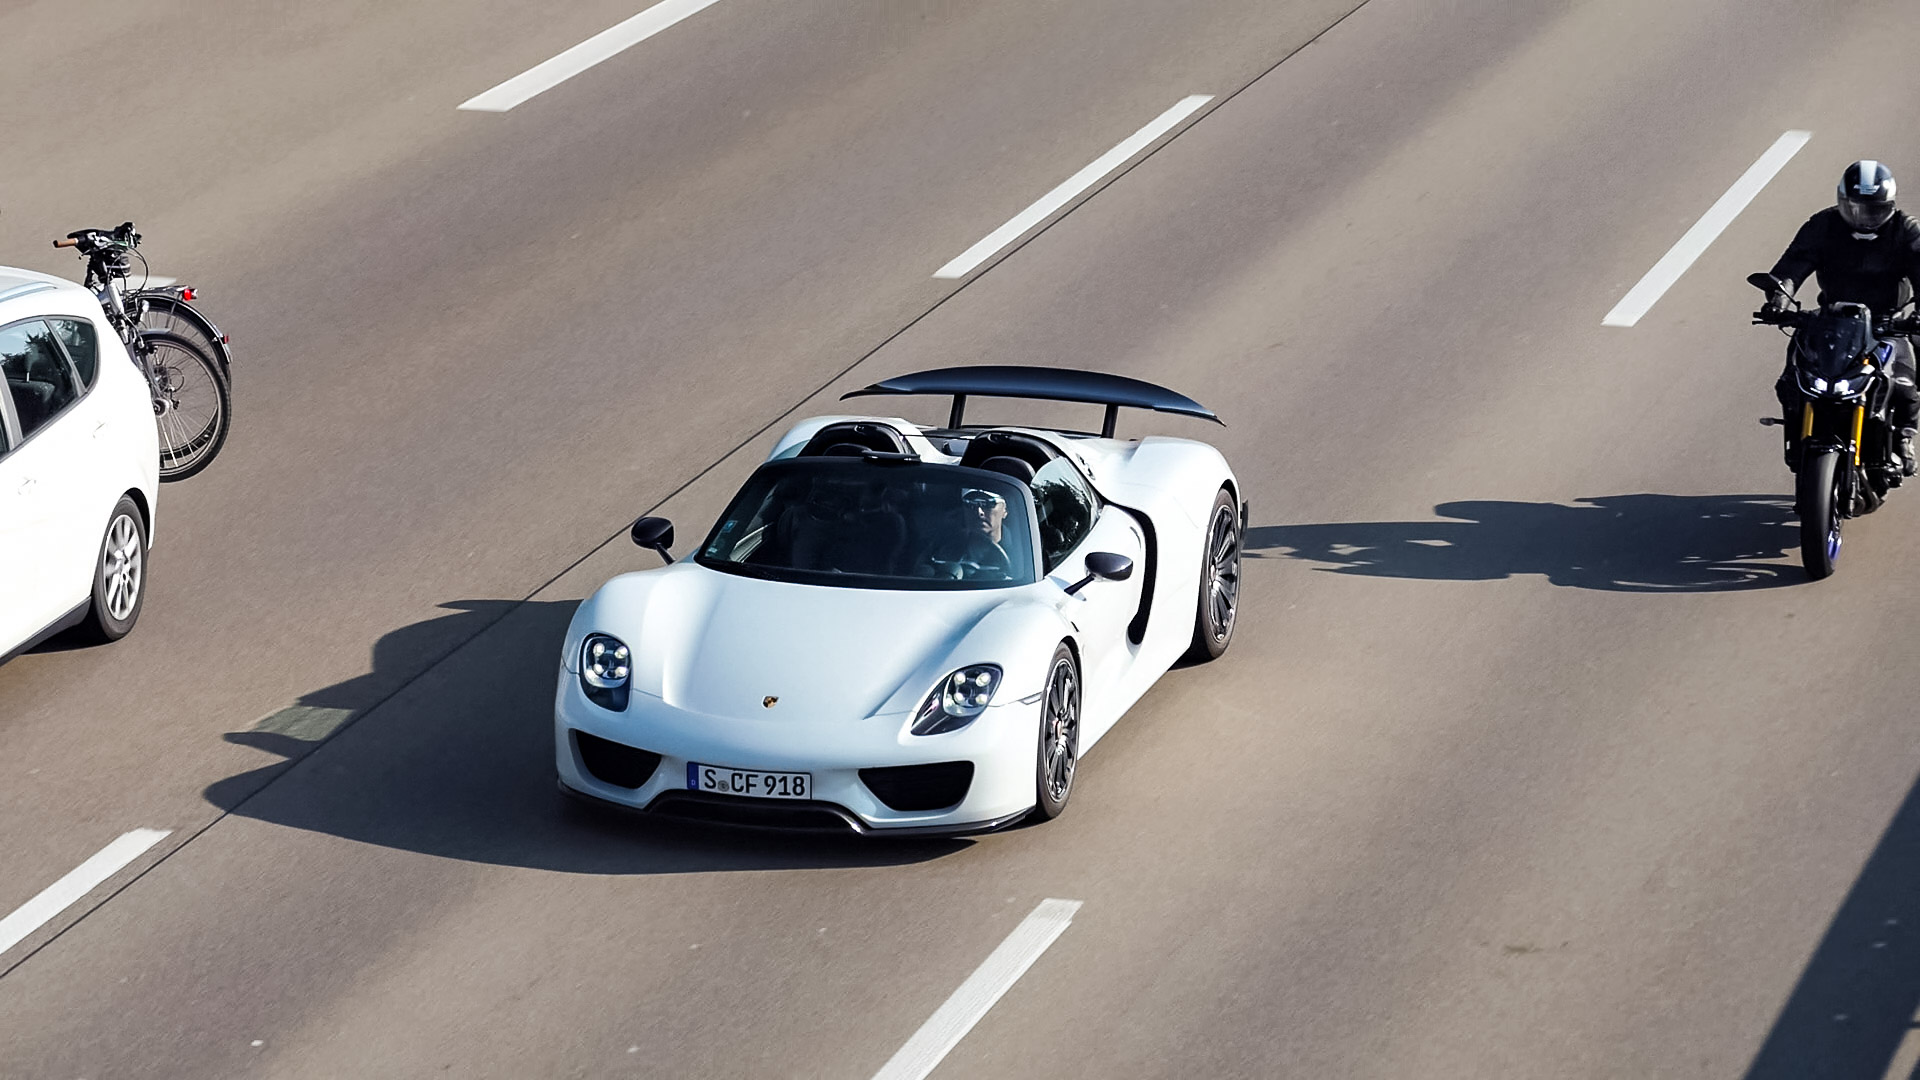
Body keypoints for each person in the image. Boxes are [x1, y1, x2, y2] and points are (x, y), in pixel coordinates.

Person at [1763, 160, 1920, 473]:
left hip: (1886, 321)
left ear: (1889, 206)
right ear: (1841, 202)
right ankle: (1797, 430)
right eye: (1854, 208)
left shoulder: (1906, 230)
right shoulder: (1823, 225)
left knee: (1904, 380)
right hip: (1831, 320)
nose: (1864, 218)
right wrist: (1780, 296)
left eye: (1873, 210)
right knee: (1792, 377)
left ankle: (1905, 434)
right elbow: (1795, 262)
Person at [924, 488, 1012, 579]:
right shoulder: (942, 549)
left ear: (1005, 510)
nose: (979, 512)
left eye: (988, 504)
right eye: (970, 504)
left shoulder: (1021, 552)